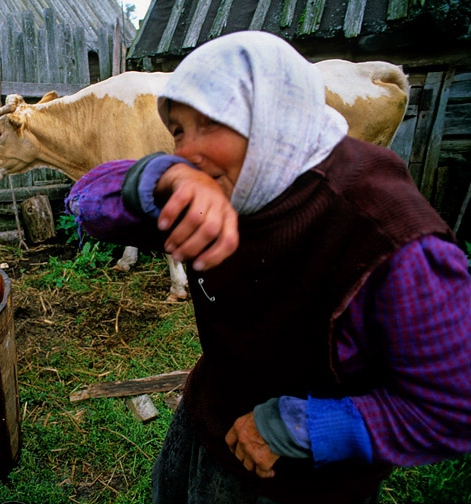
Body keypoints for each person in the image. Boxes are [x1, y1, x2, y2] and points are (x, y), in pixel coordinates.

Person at [65, 31, 471, 504]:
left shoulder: (392, 240)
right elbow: (87, 201)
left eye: (212, 122)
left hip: (302, 481)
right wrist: (161, 176)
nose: (188, 154)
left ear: (278, 113)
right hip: (206, 415)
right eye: (178, 130)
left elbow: (451, 407)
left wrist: (299, 428)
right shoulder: (218, 186)